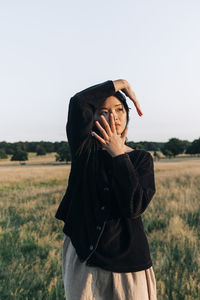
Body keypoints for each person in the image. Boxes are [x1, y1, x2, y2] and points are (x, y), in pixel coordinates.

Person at [55, 79, 157, 300]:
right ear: (93, 118)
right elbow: (79, 101)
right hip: (85, 257)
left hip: (128, 261)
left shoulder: (141, 159)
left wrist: (119, 154)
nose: (114, 116)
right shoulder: (84, 151)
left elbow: (134, 206)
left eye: (119, 110)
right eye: (104, 111)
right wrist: (122, 84)